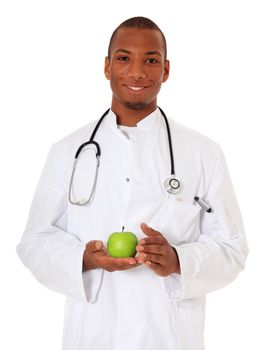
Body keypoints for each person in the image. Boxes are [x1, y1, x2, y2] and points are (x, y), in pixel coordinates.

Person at [16, 16, 248, 350]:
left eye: (150, 60)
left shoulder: (203, 152)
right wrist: (84, 258)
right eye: (124, 58)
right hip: (93, 335)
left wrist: (177, 260)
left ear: (166, 70)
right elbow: (34, 242)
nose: (137, 72)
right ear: (107, 67)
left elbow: (232, 248)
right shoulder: (68, 151)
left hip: (167, 335)